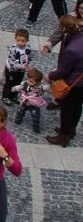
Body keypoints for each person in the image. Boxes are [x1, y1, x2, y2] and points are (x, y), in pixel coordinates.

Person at [45, 14, 83, 147]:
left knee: (67, 109)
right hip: (81, 83)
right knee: (77, 106)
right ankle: (71, 130)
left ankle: (64, 136)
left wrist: (50, 75)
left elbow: (63, 71)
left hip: (73, 84)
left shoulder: (71, 50)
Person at [11, 68, 48, 133]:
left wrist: (49, 83)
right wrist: (15, 88)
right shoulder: (25, 84)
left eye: (31, 81)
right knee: (20, 111)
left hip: (34, 104)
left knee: (35, 115)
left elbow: (46, 87)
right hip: (25, 102)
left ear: (37, 82)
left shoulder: (39, 87)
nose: (28, 82)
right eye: (28, 79)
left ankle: (36, 126)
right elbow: (20, 86)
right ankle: (18, 119)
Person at [2, 28, 31, 104]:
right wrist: (23, 67)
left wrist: (28, 65)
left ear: (27, 40)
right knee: (9, 83)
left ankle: (14, 96)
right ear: (15, 39)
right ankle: (6, 96)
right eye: (18, 40)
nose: (20, 42)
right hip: (11, 70)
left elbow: (28, 57)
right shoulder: (13, 49)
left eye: (23, 41)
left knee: (18, 83)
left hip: (21, 70)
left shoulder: (28, 48)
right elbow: (12, 63)